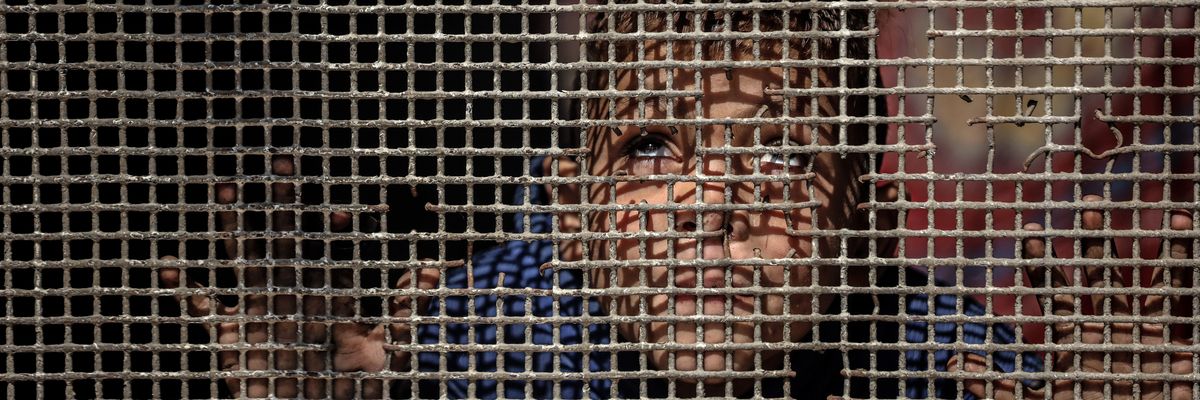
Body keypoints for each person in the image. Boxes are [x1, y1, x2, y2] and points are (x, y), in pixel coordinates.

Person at [161, 4, 1195, 400]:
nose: (710, 196)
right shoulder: (520, 309)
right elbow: (375, 360)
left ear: (865, 220)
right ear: (569, 208)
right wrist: (320, 366)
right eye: (654, 148)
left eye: (786, 151)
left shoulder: (922, 346)